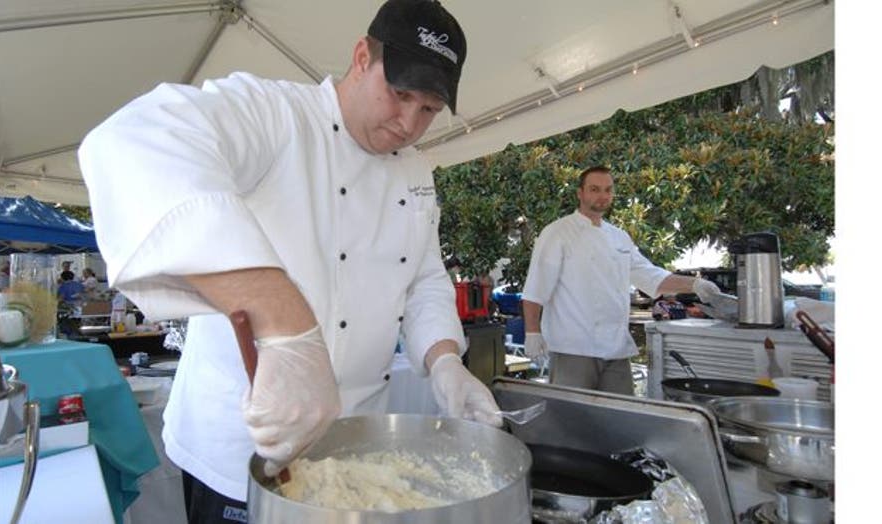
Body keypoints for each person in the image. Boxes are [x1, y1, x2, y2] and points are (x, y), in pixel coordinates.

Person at [78, 1, 500, 521]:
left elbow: (423, 279)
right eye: (401, 93)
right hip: (242, 452)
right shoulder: (275, 114)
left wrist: (444, 364)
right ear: (362, 56)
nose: (409, 123)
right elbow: (136, 140)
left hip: (357, 448)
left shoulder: (416, 172)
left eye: (429, 110)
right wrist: (286, 326)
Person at [521, 165, 721, 394]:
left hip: (615, 348)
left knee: (620, 418)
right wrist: (532, 333)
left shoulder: (619, 237)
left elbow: (650, 275)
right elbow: (536, 289)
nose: (602, 196)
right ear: (580, 193)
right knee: (572, 421)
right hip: (573, 347)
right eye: (594, 189)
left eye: (608, 190)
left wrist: (694, 284)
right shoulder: (557, 232)